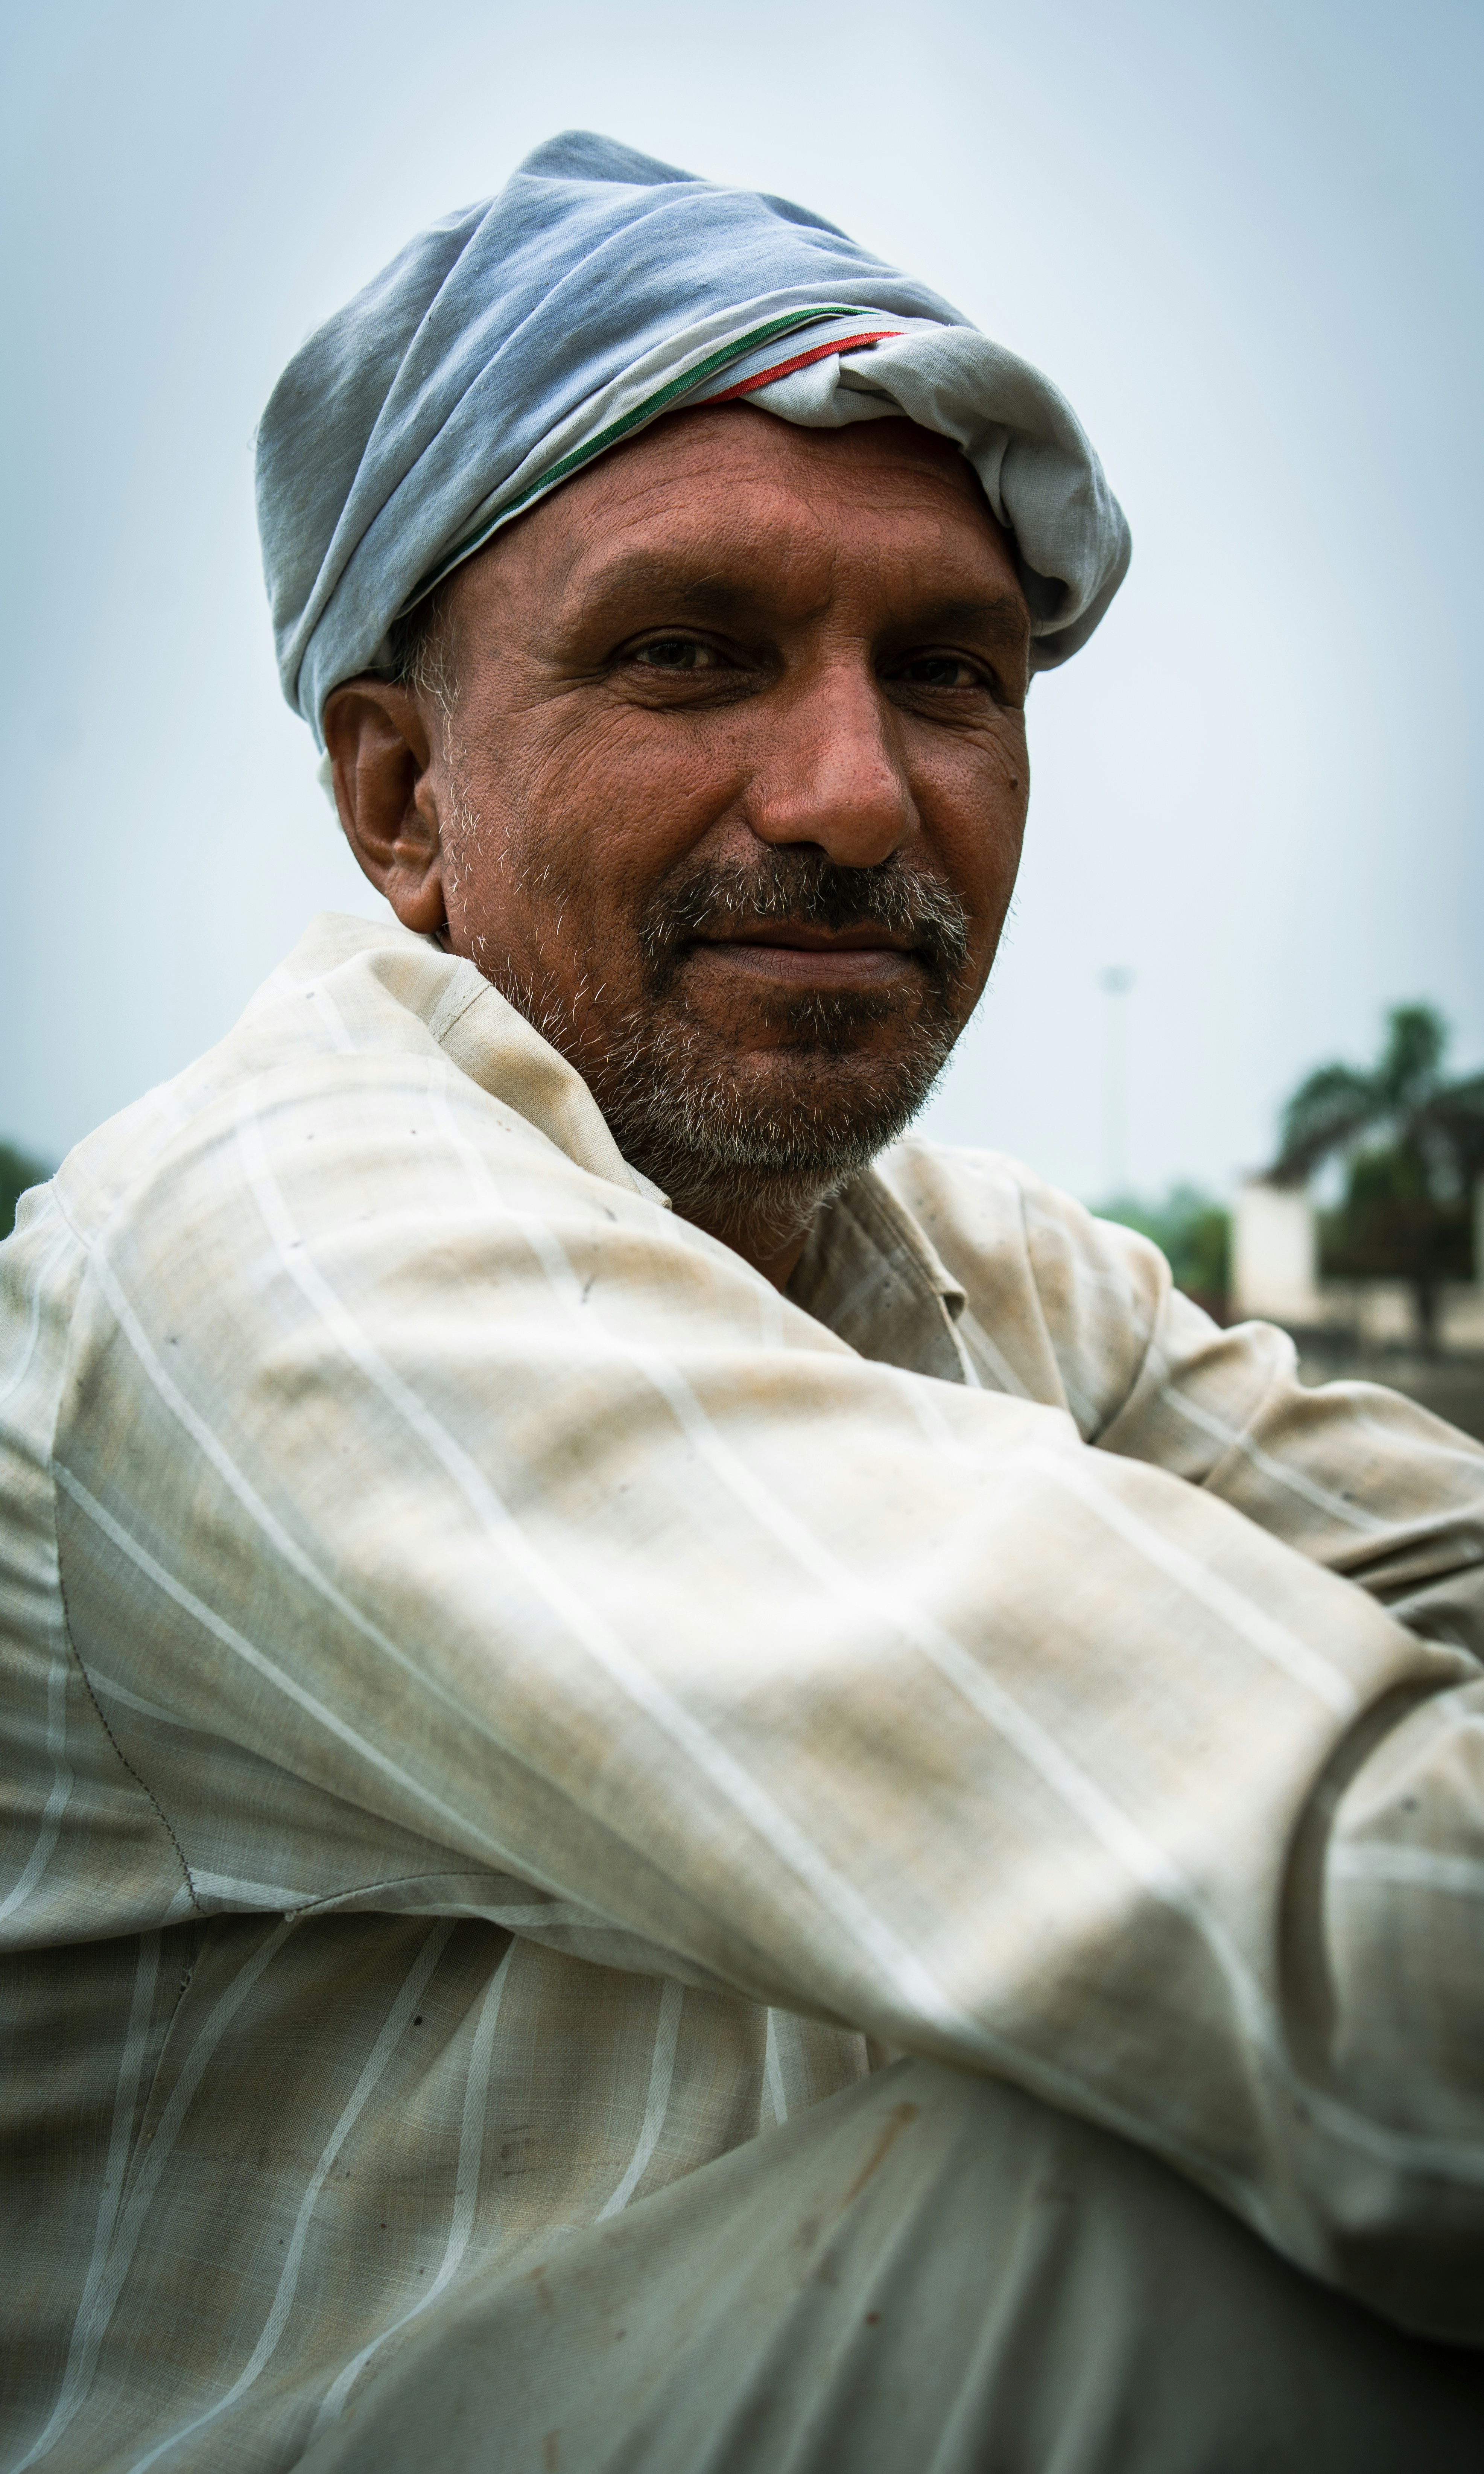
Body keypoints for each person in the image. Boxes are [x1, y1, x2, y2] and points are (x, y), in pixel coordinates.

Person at [3, 131, 1482, 2474]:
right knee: (1169, 2216)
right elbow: (1351, 1960)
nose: (854, 796)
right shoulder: (275, 1253)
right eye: (687, 654)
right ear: (398, 799)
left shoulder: (969, 1274)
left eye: (949, 673)